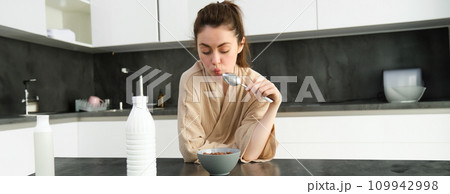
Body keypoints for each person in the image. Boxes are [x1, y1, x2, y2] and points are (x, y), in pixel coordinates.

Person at [177, 1, 281, 163]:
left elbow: (251, 153)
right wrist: (238, 148)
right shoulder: (191, 79)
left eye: (224, 50)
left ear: (240, 45)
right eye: (205, 51)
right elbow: (191, 149)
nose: (215, 60)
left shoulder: (255, 84)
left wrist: (273, 106)